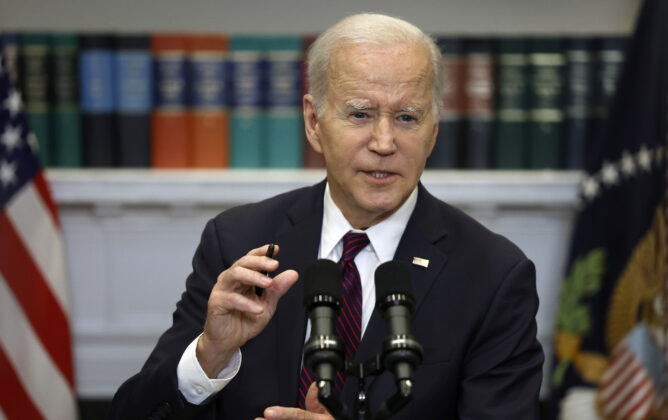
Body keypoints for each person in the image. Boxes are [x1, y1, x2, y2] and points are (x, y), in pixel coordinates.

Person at [109, 13, 544, 420]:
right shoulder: (238, 241)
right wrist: (209, 355)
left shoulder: (493, 276)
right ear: (314, 122)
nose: (384, 142)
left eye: (407, 117)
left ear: (432, 132)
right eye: (361, 114)